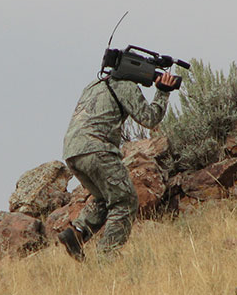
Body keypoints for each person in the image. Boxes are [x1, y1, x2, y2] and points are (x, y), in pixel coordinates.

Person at [57, 70, 178, 261]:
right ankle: (107, 256)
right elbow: (150, 119)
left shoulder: (94, 85)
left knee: (105, 198)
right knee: (125, 200)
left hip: (73, 153)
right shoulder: (125, 86)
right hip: (98, 149)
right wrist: (163, 91)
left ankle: (77, 231)